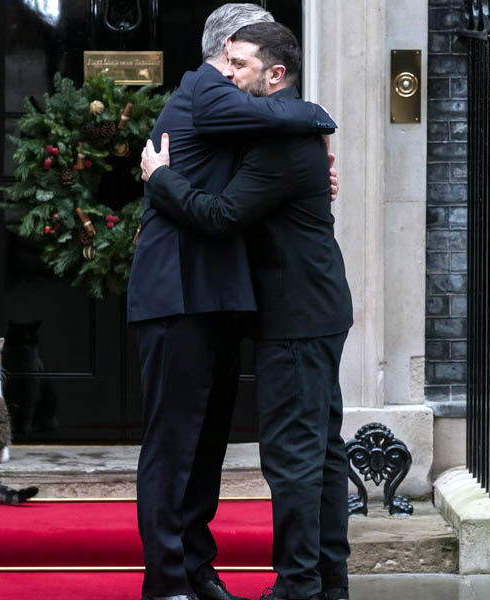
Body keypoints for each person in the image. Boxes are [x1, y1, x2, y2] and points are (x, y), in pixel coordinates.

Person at [127, 4, 338, 600]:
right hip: (177, 294)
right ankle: (167, 582)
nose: (248, 64)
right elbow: (278, 113)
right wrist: (322, 121)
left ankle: (196, 568)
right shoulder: (205, 89)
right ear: (225, 50)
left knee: (206, 446)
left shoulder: (240, 109)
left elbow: (272, 130)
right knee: (173, 447)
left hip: (217, 295)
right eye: (243, 52)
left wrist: (314, 145)